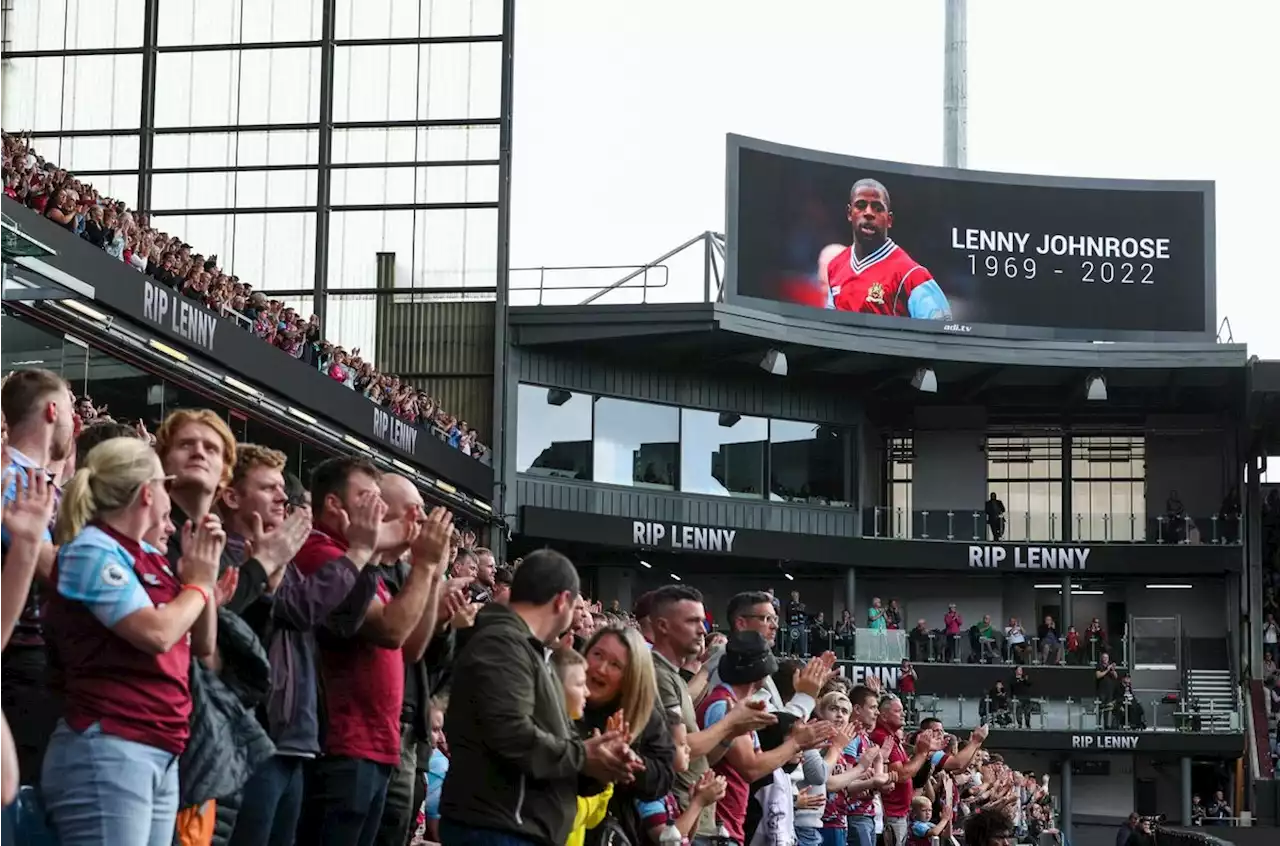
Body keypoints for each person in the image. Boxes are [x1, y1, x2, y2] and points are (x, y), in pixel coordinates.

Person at [40, 436, 224, 845]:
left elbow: (205, 644)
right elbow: (156, 633)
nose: (168, 497)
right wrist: (196, 587)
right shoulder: (90, 549)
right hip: (109, 743)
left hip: (160, 743)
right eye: (166, 484)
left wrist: (203, 580)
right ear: (147, 492)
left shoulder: (149, 555)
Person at [439, 549, 640, 845]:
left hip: (513, 827)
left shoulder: (527, 650)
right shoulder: (502, 644)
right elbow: (511, 735)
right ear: (562, 601)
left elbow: (547, 748)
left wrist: (599, 766)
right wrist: (585, 755)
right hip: (498, 829)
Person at [293, 460, 442, 846]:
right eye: (367, 498)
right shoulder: (321, 553)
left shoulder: (365, 567)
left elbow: (411, 647)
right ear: (332, 506)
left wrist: (432, 573)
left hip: (378, 745)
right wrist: (424, 566)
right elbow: (391, 630)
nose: (377, 510)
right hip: (343, 746)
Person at [0, 368, 75, 786]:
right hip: (21, 674)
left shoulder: (43, 487)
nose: (74, 423)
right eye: (69, 408)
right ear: (53, 410)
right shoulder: (9, 482)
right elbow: (53, 571)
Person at [696, 631, 833, 844]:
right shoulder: (725, 705)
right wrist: (796, 743)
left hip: (732, 825)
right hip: (720, 829)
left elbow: (765, 758)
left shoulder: (738, 707)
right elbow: (751, 768)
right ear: (761, 674)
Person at [577, 625, 676, 843]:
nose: (601, 669)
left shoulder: (644, 714)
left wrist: (627, 760)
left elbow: (663, 777)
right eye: (597, 655)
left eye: (615, 665)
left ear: (631, 677)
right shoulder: (559, 696)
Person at [822, 178, 952, 320]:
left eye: (878, 208)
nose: (869, 213)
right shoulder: (835, 266)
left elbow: (942, 332)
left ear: (889, 220)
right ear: (849, 213)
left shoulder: (912, 275)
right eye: (861, 205)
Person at [554, 648, 614, 846]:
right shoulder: (551, 743)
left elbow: (592, 821)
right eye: (580, 684)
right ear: (555, 687)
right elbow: (566, 816)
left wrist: (605, 777)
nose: (588, 692)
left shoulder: (578, 736)